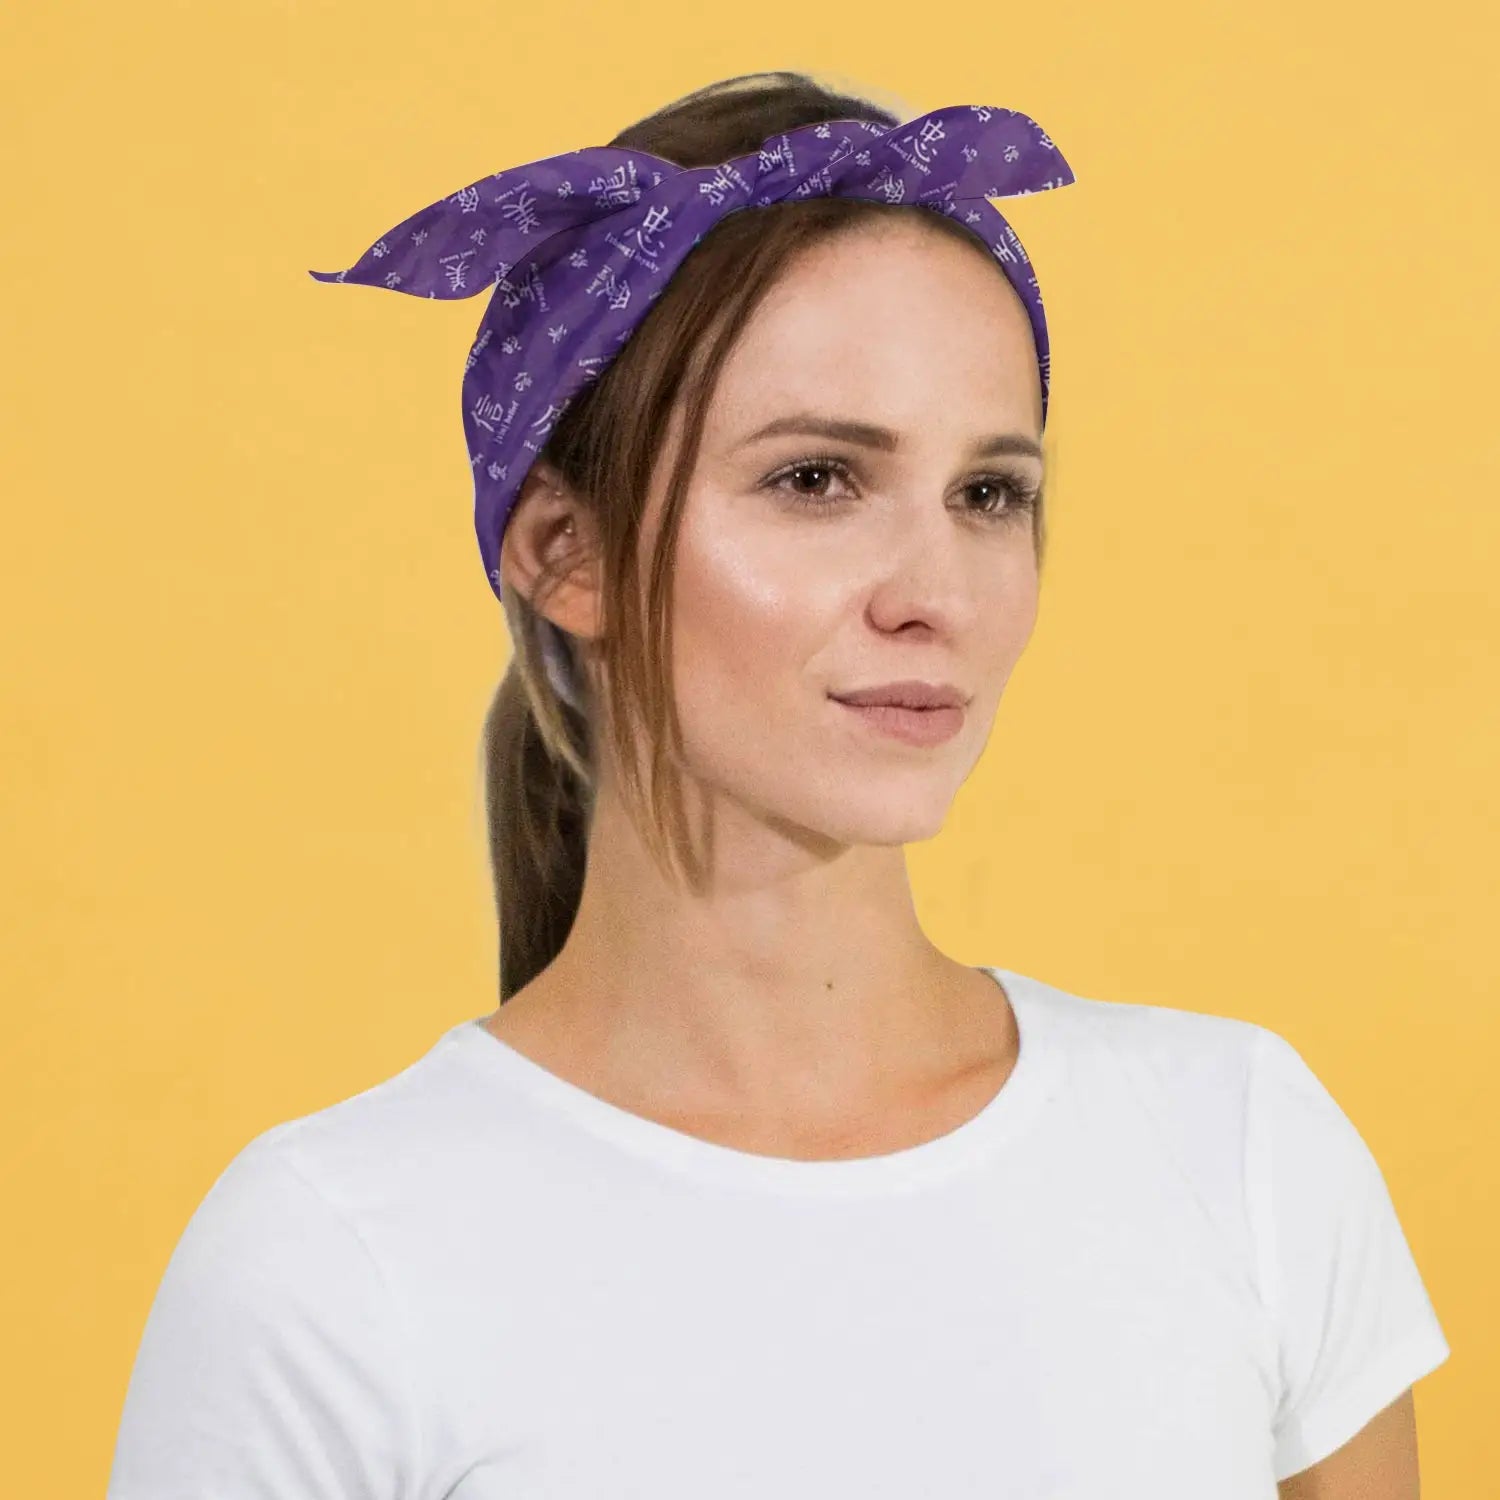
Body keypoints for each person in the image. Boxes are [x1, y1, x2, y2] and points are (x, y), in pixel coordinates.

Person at [106, 71, 1449, 1499]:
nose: (935, 592)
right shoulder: (331, 1265)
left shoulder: (1238, 1151)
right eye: (817, 479)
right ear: (562, 551)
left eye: (989, 493)